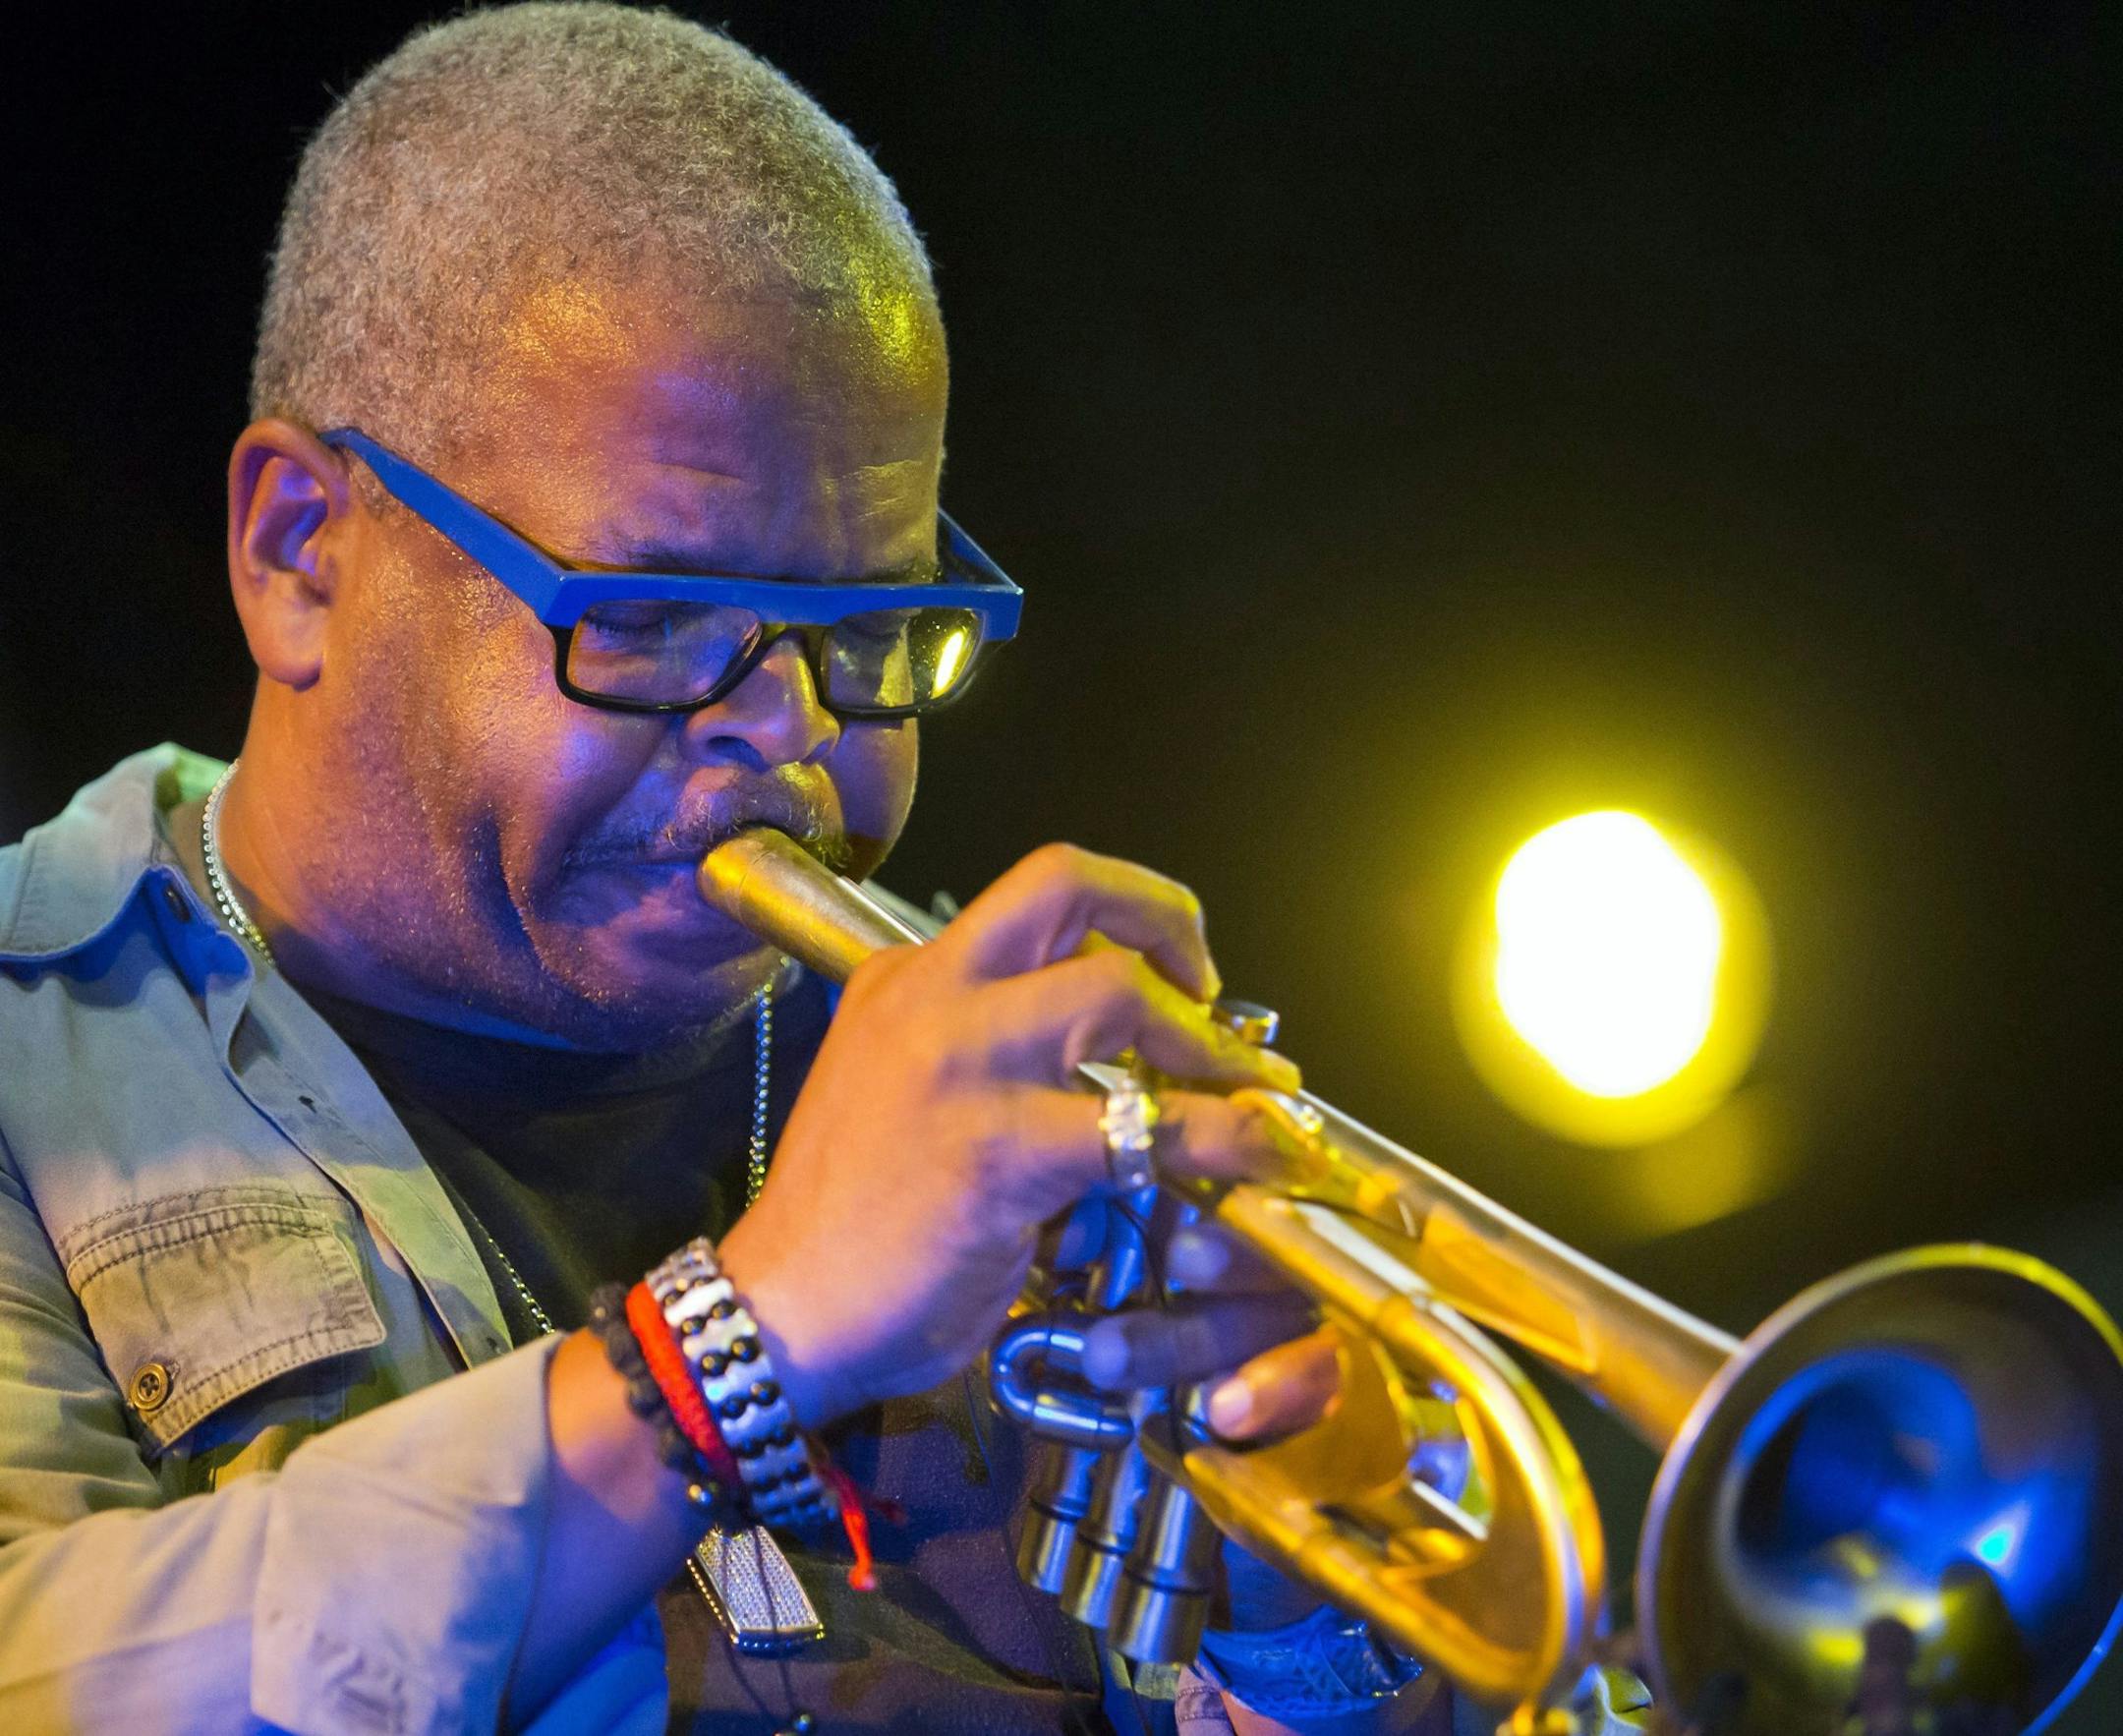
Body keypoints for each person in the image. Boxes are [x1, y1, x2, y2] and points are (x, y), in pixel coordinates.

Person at [0, 7, 1469, 1734]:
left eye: (873, 632)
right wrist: (731, 1355)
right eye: (647, 617)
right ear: (301, 555)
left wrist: (1314, 1609)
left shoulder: (1024, 1091)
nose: (782, 736)